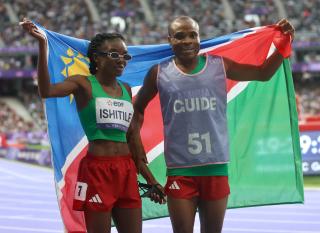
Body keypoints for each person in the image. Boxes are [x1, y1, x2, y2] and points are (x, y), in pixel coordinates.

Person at [132, 16, 295, 233]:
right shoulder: (159, 73)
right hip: (181, 171)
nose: (188, 40)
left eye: (193, 35)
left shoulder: (219, 65)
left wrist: (285, 44)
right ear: (170, 40)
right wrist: (136, 142)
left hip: (215, 168)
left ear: (199, 38)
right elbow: (136, 110)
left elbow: (263, 73)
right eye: (180, 36)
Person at [20, 18, 164, 233]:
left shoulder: (126, 89)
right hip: (97, 172)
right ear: (96, 58)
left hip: (126, 171)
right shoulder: (83, 84)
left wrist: (152, 181)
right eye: (114, 54)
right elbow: (46, 91)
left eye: (125, 55)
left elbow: (133, 140)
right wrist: (42, 45)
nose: (122, 60)